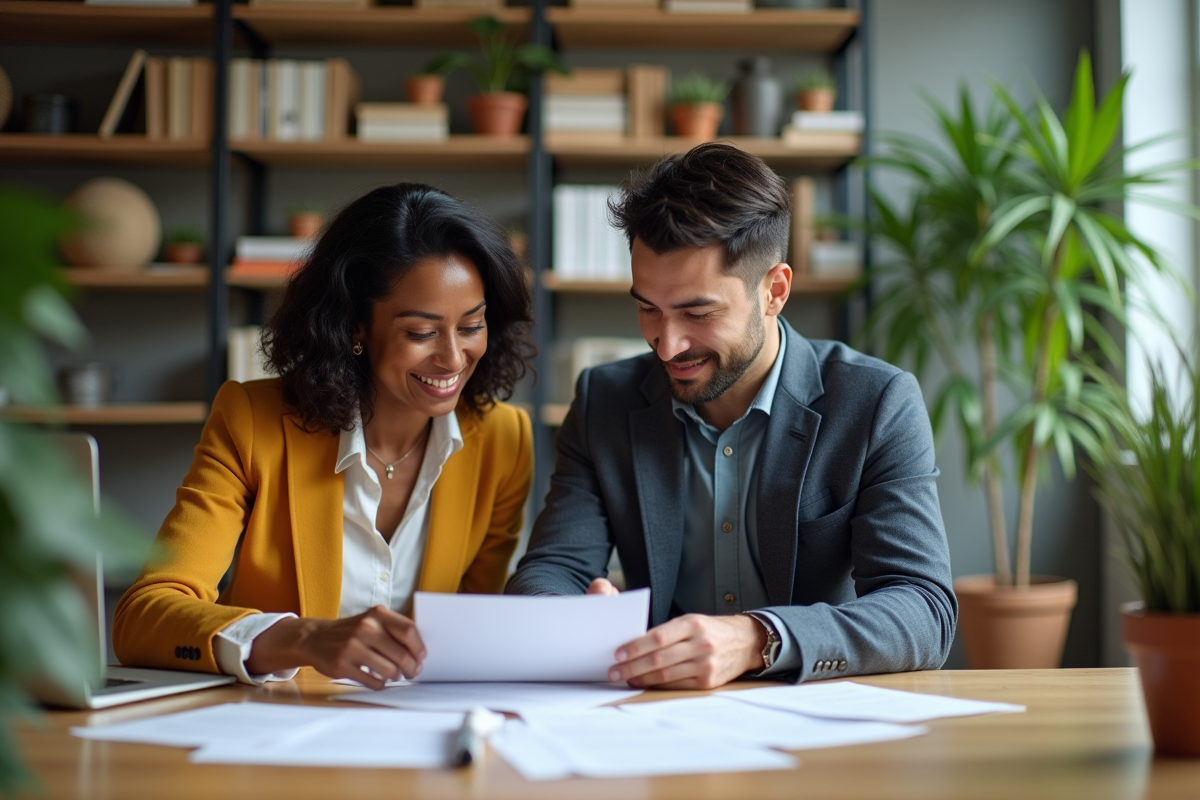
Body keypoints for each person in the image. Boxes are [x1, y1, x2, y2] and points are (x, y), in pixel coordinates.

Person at [507, 143, 956, 690]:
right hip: (658, 714)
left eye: (698, 312)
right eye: (648, 307)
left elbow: (924, 610)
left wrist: (756, 639)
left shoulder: (876, 402)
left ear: (775, 291)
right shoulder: (605, 399)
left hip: (816, 718)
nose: (667, 344)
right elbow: (552, 568)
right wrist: (563, 613)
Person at [114, 183, 535, 689]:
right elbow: (142, 616)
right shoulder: (253, 422)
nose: (452, 358)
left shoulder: (504, 441)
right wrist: (305, 638)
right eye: (421, 333)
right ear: (355, 326)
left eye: (471, 326)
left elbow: (471, 632)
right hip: (272, 733)